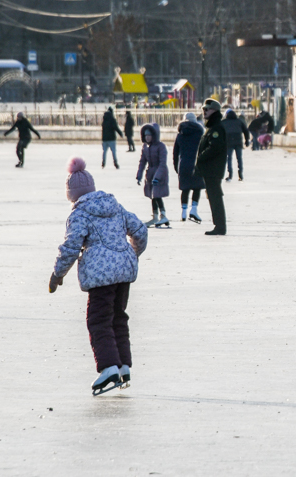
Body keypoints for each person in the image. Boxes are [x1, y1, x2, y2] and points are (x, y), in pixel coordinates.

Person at [49, 157, 148, 396]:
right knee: (118, 317)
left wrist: (57, 274)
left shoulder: (79, 213)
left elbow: (71, 246)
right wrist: (132, 255)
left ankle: (108, 368)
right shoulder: (114, 205)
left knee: (98, 320)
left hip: (101, 275)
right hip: (124, 270)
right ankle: (123, 366)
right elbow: (140, 230)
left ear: (71, 194)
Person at [196, 99, 228, 235]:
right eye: (203, 110)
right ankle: (219, 225)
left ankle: (220, 226)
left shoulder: (216, 128)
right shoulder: (211, 127)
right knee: (213, 197)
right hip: (209, 170)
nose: (204, 112)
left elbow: (215, 147)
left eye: (207, 110)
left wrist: (201, 157)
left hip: (213, 170)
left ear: (215, 111)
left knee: (215, 198)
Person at [135, 123, 170, 228]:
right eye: (145, 135)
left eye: (149, 135)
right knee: (152, 196)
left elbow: (162, 163)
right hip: (150, 173)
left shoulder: (161, 146)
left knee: (157, 195)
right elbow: (142, 161)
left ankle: (163, 215)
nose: (147, 137)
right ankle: (155, 216)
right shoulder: (145, 147)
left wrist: (157, 177)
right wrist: (139, 175)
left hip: (160, 173)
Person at [172, 112, 205, 223]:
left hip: (184, 164)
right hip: (197, 164)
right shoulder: (200, 133)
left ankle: (183, 212)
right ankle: (194, 209)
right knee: (197, 187)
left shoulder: (180, 135)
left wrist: (176, 167)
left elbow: (175, 153)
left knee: (185, 189)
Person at [222, 108, 251, 181]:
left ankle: (230, 175)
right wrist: (247, 140)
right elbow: (246, 131)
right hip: (238, 142)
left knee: (229, 159)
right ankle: (240, 174)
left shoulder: (223, 122)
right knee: (239, 158)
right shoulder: (239, 121)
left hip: (228, 143)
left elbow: (219, 132)